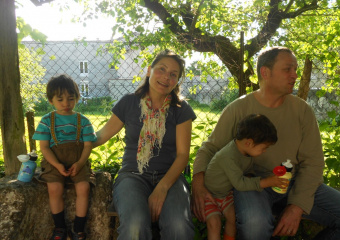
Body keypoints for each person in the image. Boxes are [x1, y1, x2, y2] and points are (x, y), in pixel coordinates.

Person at [192, 46, 340, 240]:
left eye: (295, 69)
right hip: (252, 184)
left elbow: (313, 163)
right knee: (255, 225)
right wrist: (198, 186)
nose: (295, 75)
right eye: (288, 69)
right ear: (265, 72)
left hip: (293, 181)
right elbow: (209, 149)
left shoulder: (302, 111)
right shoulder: (239, 109)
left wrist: (297, 206)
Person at [93, 49, 196, 239]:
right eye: (162, 69)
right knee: (134, 226)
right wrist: (69, 142)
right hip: (132, 177)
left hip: (170, 178)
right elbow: (99, 137)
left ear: (177, 81)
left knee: (178, 226)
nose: (166, 77)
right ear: (149, 70)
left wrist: (162, 188)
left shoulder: (181, 109)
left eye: (173, 74)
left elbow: (183, 155)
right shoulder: (128, 103)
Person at [33, 74, 97, 240]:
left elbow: (88, 146)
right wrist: (57, 165)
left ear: (77, 98)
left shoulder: (83, 121)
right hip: (54, 161)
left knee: (84, 188)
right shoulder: (47, 121)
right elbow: (45, 148)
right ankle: (60, 228)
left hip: (79, 159)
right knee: (54, 188)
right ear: (51, 100)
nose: (66, 103)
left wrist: (81, 163)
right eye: (60, 99)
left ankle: (78, 229)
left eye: (71, 98)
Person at [204, 113, 288, 240]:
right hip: (209, 195)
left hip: (225, 194)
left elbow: (247, 171)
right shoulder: (228, 157)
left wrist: (252, 176)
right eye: (264, 147)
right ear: (249, 143)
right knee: (214, 223)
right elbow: (240, 184)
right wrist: (267, 182)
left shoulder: (245, 152)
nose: (264, 151)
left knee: (232, 218)